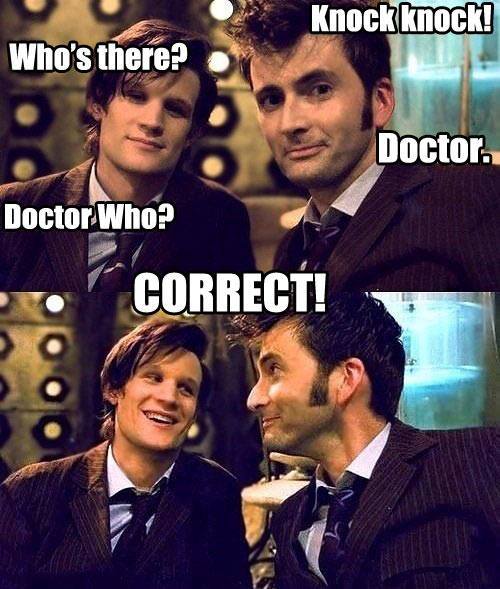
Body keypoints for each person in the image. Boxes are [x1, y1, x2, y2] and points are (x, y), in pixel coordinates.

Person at [232, 293, 500, 588]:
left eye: (274, 369)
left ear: (346, 378)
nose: (253, 399)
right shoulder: (288, 519)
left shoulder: (477, 461)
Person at [228, 0, 500, 291]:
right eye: (271, 100)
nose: (290, 124)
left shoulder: (472, 197)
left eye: (320, 90)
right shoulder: (291, 249)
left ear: (380, 101)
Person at [0, 19, 255, 292]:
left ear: (193, 132)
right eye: (136, 96)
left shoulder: (220, 217)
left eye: (175, 109)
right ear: (98, 103)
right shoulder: (14, 207)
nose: (152, 121)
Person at [0, 319, 252, 589]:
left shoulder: (216, 491)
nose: (169, 398)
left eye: (186, 389)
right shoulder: (30, 492)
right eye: (154, 377)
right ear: (113, 389)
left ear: (195, 412)